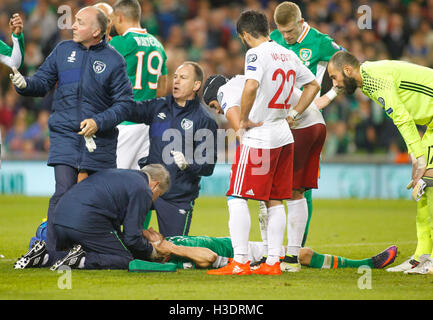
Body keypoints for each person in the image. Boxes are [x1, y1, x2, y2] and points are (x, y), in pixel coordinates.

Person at [9, 6, 134, 266]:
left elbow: (125, 104)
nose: (73, 25)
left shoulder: (114, 60)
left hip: (99, 143)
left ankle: (93, 251)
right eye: (74, 21)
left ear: (97, 31)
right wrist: (24, 84)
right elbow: (41, 83)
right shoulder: (63, 50)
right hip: (65, 136)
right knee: (63, 192)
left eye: (80, 22)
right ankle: (55, 254)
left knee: (99, 200)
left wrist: (98, 122)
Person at [207, 10, 320, 276]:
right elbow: (314, 85)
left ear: (245, 35)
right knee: (275, 199)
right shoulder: (287, 53)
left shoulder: (255, 54)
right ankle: (272, 262)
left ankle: (241, 261)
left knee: (236, 197)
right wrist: (294, 114)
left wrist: (244, 119)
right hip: (283, 133)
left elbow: (250, 87)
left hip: (261, 136)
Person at [202, 73, 336, 272]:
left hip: (292, 127)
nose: (218, 110)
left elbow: (241, 127)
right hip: (314, 123)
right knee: (293, 193)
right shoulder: (245, 79)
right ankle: (288, 258)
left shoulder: (225, 91)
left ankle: (250, 259)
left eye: (214, 105)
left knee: (250, 194)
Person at [81, 61, 218, 238]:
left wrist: (188, 164)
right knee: (124, 239)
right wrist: (108, 100)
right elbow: (130, 110)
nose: (176, 81)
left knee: (174, 251)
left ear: (196, 85)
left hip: (177, 196)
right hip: (147, 190)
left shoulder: (205, 121)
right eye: (175, 77)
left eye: (183, 78)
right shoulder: (158, 107)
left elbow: (208, 166)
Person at [327, 50, 433, 275]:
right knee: (424, 192)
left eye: (334, 77)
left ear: (347, 70)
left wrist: (420, 161)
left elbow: (402, 118)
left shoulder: (374, 79)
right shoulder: (367, 81)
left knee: (430, 187)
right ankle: (421, 258)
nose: (335, 84)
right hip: (430, 123)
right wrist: (417, 159)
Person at [269, 1, 344, 252]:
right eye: (283, 31)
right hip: (279, 119)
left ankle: (298, 246)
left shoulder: (321, 42)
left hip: (306, 120)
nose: (286, 36)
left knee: (301, 184)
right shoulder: (274, 37)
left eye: (290, 31)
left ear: (301, 22)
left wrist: (328, 97)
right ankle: (274, 244)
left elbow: (349, 67)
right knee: (275, 181)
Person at [14, 164, 171, 270]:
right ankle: (68, 258)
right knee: (125, 258)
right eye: (159, 195)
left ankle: (43, 253)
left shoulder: (121, 174)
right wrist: (151, 252)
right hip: (85, 222)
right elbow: (131, 237)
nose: (155, 199)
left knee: (107, 248)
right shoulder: (143, 189)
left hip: (59, 220)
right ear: (155, 185)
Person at [143, 228, 398, 271]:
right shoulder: (174, 256)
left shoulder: (174, 245)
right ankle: (364, 265)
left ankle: (362, 264)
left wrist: (166, 244)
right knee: (301, 255)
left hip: (239, 246)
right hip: (239, 254)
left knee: (301, 253)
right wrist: (171, 248)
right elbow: (207, 258)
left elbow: (208, 256)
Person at [110, 0, 168, 171]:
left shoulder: (120, 43)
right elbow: (162, 89)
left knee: (114, 177)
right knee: (139, 178)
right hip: (149, 124)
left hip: (125, 121)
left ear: (119, 17)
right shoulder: (158, 45)